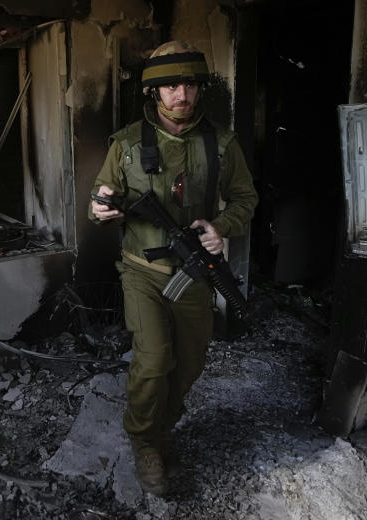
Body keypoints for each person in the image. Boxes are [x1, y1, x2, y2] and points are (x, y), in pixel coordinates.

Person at [89, 40, 258, 496]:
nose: (180, 94)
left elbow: (246, 199)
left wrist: (221, 226)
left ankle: (164, 428)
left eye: (188, 84)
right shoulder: (125, 145)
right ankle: (145, 441)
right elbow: (102, 196)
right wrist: (101, 208)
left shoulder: (221, 144)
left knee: (189, 361)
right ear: (153, 93)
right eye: (169, 86)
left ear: (200, 89)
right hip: (141, 269)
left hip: (197, 273)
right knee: (153, 359)